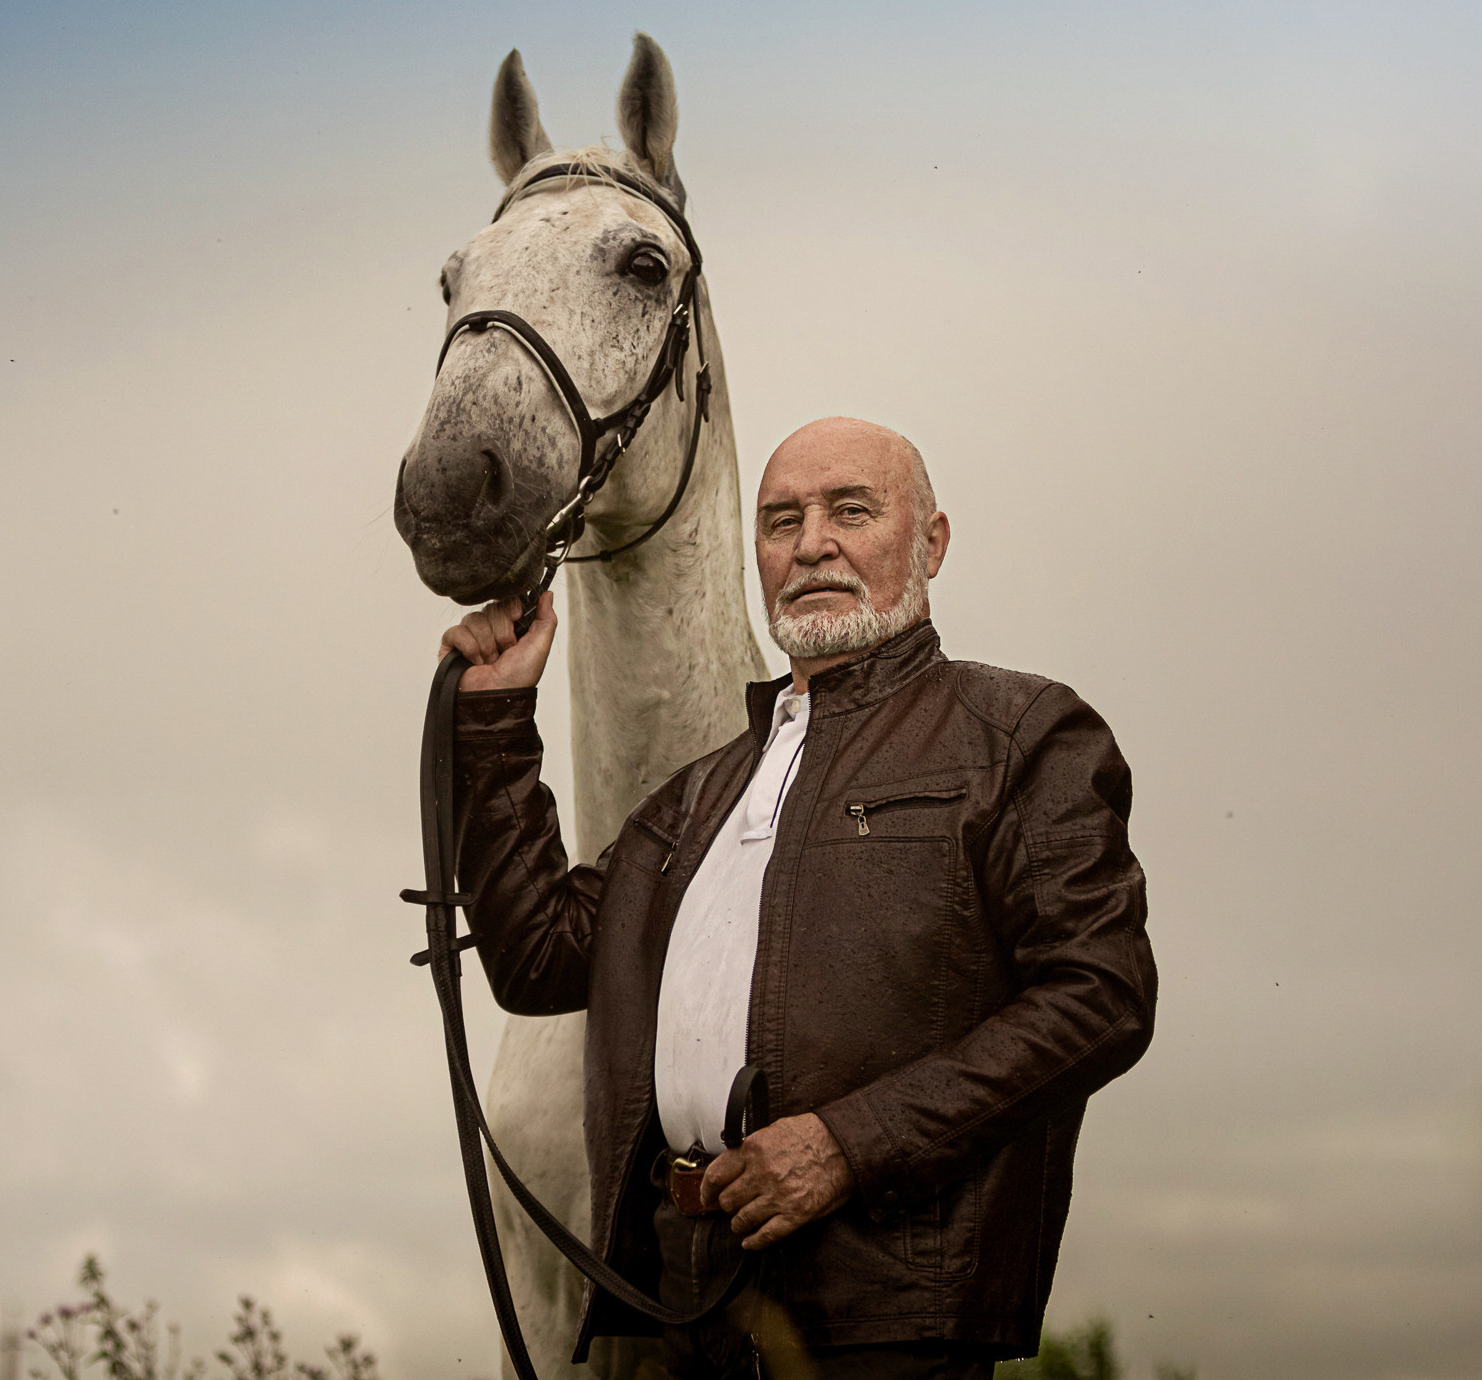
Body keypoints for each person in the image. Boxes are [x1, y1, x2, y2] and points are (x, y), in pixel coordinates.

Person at [440, 417, 1155, 1380]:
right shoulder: (697, 797)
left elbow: (1099, 996)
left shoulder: (1021, 733)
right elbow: (535, 960)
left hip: (888, 1311)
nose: (811, 542)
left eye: (851, 510)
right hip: (684, 1302)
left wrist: (846, 1146)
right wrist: (494, 712)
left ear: (931, 541)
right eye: (781, 521)